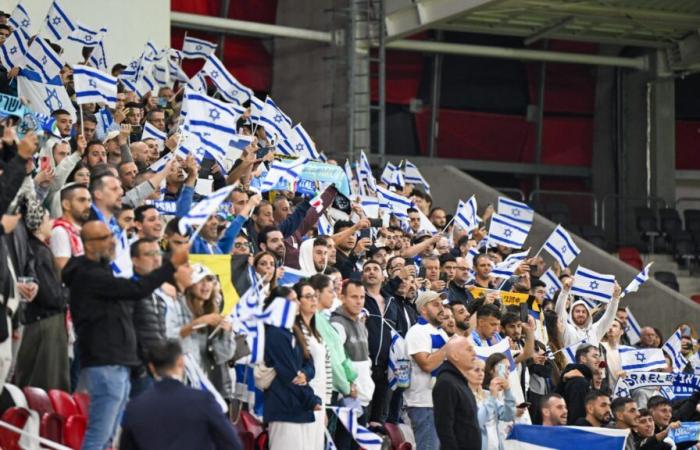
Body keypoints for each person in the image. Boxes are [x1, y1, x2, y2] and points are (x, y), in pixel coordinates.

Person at [62, 220, 189, 450]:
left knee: (109, 437)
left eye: (111, 235)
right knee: (98, 436)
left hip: (118, 362)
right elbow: (136, 290)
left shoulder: (99, 271)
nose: (112, 241)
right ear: (89, 245)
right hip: (105, 362)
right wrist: (170, 266)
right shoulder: (89, 275)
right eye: (105, 238)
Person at [119, 340, 243, 450]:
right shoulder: (203, 400)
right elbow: (232, 443)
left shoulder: (135, 408)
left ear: (151, 367)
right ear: (181, 362)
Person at [14, 200, 70, 391]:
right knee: (45, 382)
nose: (51, 223)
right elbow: (51, 295)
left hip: (41, 321)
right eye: (47, 219)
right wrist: (67, 294)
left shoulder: (34, 248)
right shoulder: (39, 252)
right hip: (46, 323)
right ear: (38, 224)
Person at [263, 286, 322, 450]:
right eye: (293, 300)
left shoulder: (292, 330)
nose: (297, 303)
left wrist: (305, 373)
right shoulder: (275, 333)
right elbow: (289, 374)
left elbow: (309, 364)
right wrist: (312, 399)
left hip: (299, 407)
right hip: (284, 408)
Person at [403, 290, 448, 450]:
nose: (441, 308)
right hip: (423, 403)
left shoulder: (440, 332)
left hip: (439, 401)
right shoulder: (417, 331)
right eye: (436, 305)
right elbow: (427, 364)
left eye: (442, 304)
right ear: (423, 309)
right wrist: (449, 348)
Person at [293, 281, 330, 450]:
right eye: (308, 297)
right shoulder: (295, 330)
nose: (313, 300)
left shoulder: (316, 332)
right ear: (297, 301)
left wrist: (325, 406)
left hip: (319, 400)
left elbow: (326, 370)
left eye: (315, 296)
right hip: (305, 400)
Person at [432, 336, 481, 450]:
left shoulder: (459, 381)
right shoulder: (446, 383)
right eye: (469, 349)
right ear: (454, 356)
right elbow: (444, 429)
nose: (474, 353)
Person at [473, 355, 516, 450]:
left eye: (482, 370)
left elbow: (508, 415)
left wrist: (507, 391)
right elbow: (479, 421)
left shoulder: (488, 394)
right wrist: (492, 397)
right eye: (476, 370)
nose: (481, 374)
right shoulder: (466, 396)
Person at [557, 343, 599, 424]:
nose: (598, 360)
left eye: (598, 356)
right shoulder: (579, 382)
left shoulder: (584, 379)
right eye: (594, 356)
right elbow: (577, 416)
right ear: (583, 358)